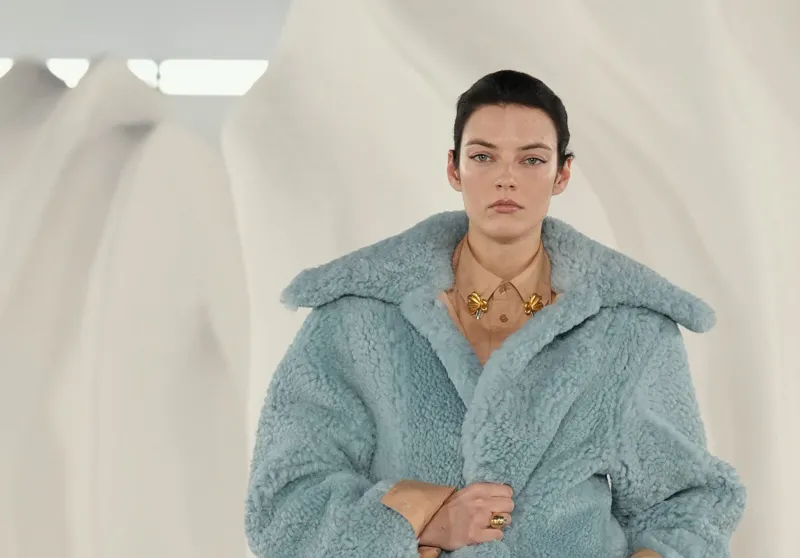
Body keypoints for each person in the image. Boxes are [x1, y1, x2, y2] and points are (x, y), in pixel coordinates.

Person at [244, 69, 746, 557]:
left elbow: (687, 503)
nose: (506, 178)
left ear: (562, 173)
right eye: (483, 156)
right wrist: (426, 515)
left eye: (532, 160)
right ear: (454, 168)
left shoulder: (629, 329)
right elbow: (284, 502)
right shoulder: (356, 318)